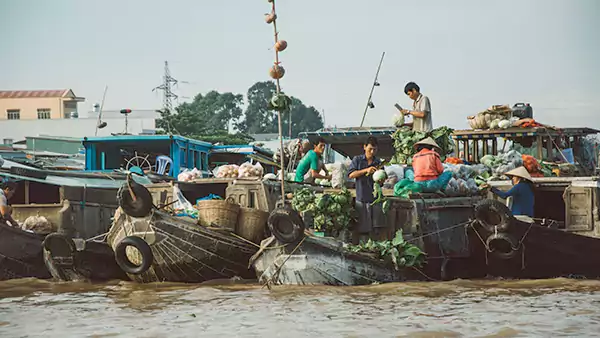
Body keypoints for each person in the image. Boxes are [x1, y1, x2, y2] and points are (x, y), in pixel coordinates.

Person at [348, 137, 385, 241]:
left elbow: (381, 183)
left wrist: (381, 180)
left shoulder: (378, 162)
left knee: (376, 229)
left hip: (375, 200)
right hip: (362, 198)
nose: (372, 152)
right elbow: (351, 174)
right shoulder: (357, 160)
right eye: (370, 149)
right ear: (364, 147)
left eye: (375, 150)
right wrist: (366, 170)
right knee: (362, 229)